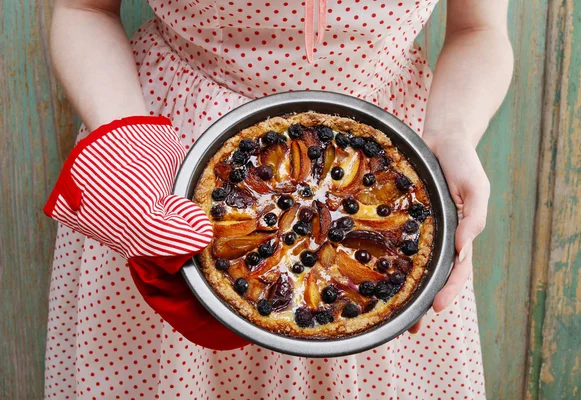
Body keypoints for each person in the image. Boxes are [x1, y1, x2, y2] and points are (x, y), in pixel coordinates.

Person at [44, 0, 513, 398]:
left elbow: (479, 29)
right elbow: (83, 7)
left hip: (387, 169)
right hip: (173, 156)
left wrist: (452, 134)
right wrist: (126, 154)